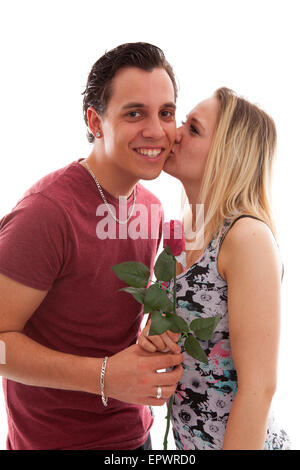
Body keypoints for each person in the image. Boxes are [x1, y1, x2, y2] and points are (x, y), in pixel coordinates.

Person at [0, 42, 183, 450]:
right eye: (135, 113)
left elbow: (110, 318)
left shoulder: (150, 208)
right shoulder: (47, 213)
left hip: (135, 435)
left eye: (166, 113)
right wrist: (104, 376)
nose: (156, 130)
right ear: (96, 122)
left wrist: (155, 337)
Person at [138, 87, 290, 450]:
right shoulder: (185, 229)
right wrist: (153, 340)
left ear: (226, 154)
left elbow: (258, 388)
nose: (174, 133)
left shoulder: (246, 237)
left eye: (193, 129)